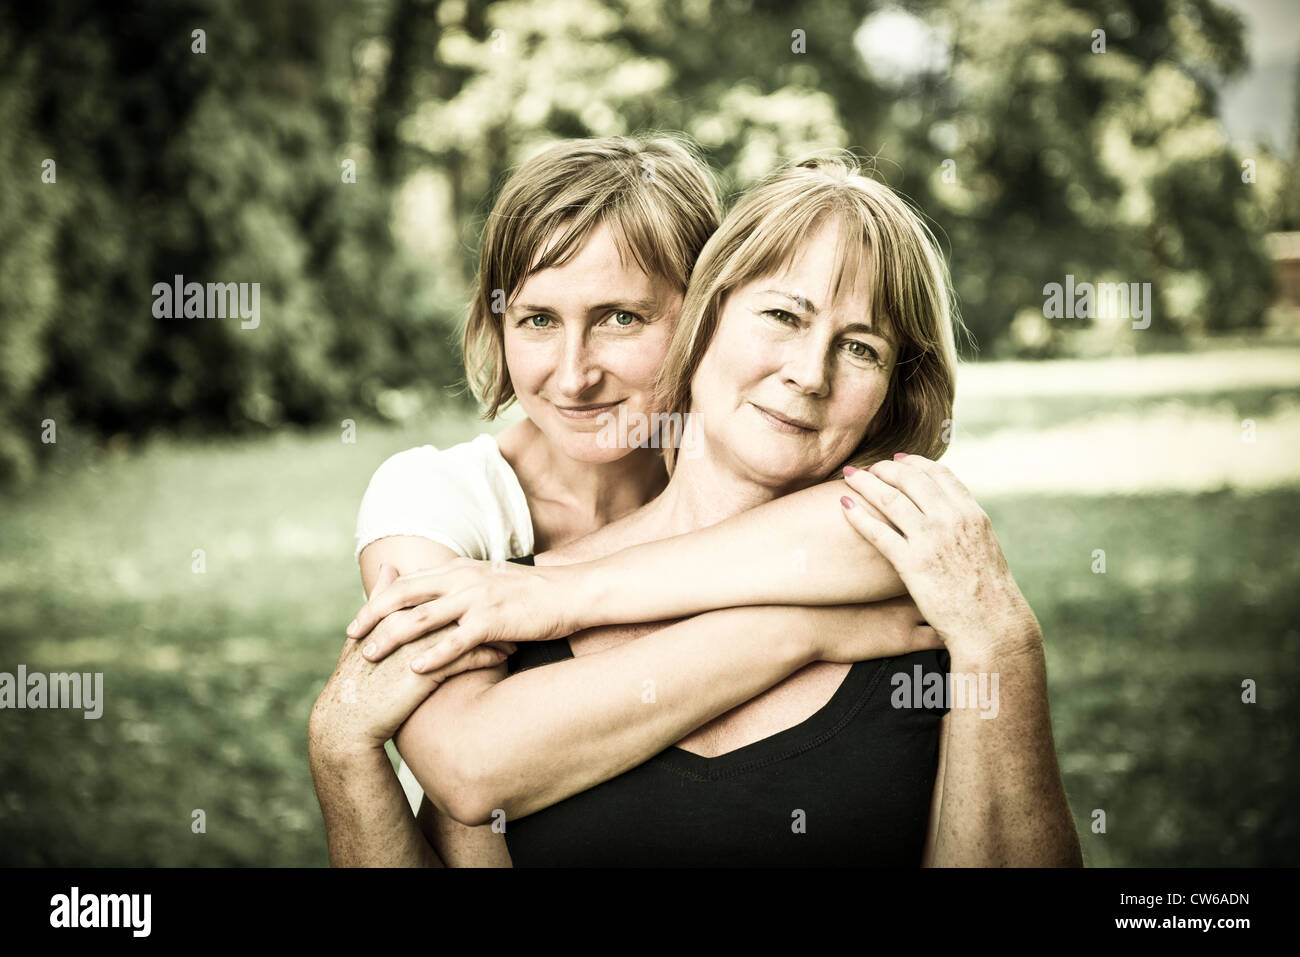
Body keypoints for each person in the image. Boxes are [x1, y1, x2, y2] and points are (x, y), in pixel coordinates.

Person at [312, 154, 1082, 867]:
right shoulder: (488, 593)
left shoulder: (937, 592)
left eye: (861, 349)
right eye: (782, 315)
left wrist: (1002, 643)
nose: (808, 373)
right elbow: (467, 765)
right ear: (706, 324)